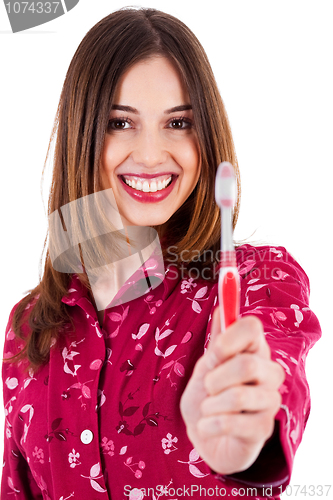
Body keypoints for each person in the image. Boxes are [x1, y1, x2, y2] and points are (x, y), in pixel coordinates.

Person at [1, 7, 321, 500]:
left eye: (177, 122)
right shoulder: (27, 328)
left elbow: (277, 365)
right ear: (82, 133)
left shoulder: (256, 278)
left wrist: (244, 434)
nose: (151, 155)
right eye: (119, 123)